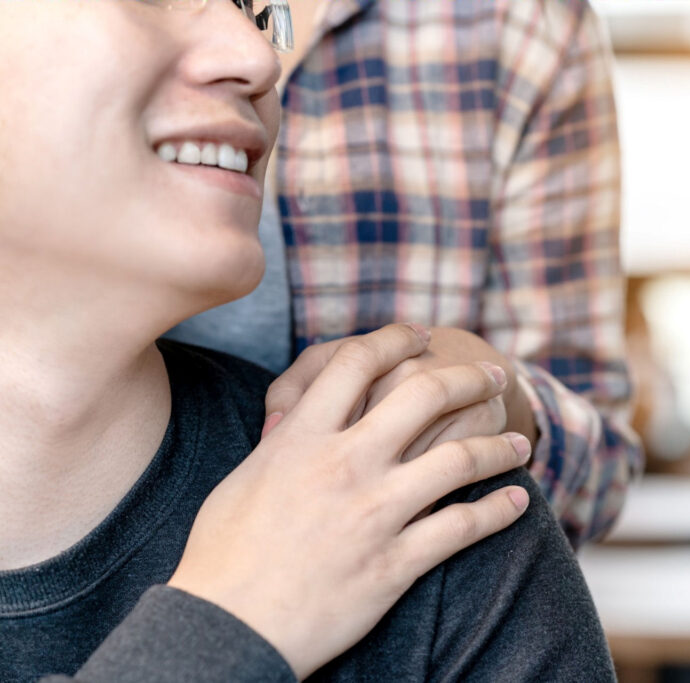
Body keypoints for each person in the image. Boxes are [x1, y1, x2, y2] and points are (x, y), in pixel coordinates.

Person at [0, 1, 614, 681]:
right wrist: (228, 621)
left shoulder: (449, 535)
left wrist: (484, 394)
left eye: (254, 12)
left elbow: (593, 440)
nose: (262, 59)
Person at [165, 0, 643, 548]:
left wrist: (492, 396)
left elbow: (601, 473)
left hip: (420, 608)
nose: (258, 61)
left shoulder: (524, 24)